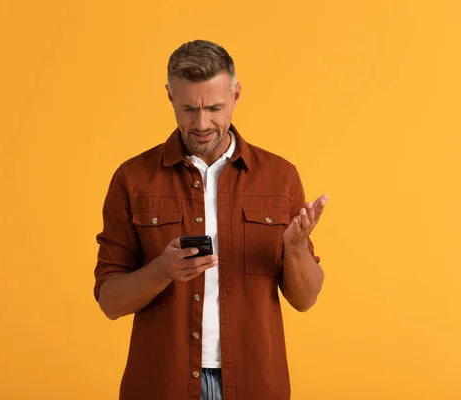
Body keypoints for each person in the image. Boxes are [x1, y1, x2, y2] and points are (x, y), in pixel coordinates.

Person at [93, 39, 328, 400]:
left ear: (235, 95)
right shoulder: (133, 178)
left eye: (215, 107)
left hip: (255, 384)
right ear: (170, 96)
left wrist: (295, 249)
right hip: (161, 385)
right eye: (188, 109)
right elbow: (110, 301)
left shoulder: (280, 177)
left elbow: (306, 298)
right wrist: (162, 271)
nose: (201, 123)